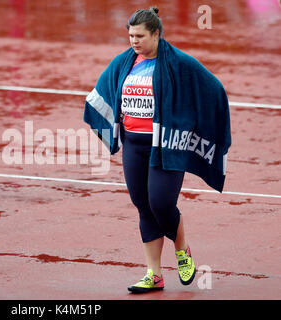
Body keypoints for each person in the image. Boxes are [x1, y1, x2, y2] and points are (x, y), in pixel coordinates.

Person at [83, 6, 231, 294]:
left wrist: (192, 125)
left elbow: (212, 89)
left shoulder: (178, 63)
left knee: (161, 203)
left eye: (139, 36)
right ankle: (154, 274)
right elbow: (104, 90)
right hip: (133, 145)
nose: (134, 41)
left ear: (156, 34)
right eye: (130, 36)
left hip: (164, 146)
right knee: (143, 206)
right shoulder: (124, 62)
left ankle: (182, 249)